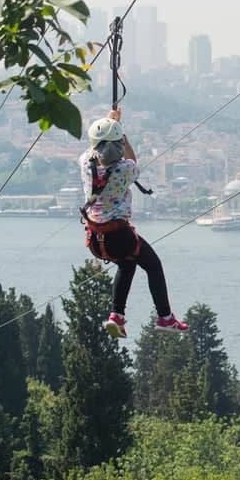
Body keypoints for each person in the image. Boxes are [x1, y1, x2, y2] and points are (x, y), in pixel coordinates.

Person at [80, 107, 187, 338]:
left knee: (127, 265)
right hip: (119, 237)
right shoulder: (124, 170)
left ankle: (116, 316)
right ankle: (165, 317)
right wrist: (121, 133)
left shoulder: (85, 165)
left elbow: (96, 148)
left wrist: (109, 124)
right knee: (153, 266)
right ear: (119, 144)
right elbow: (131, 159)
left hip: (95, 241)